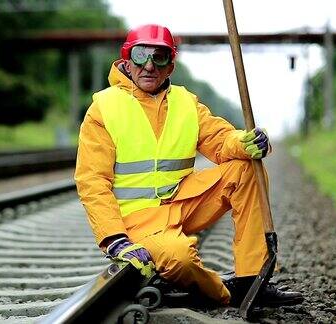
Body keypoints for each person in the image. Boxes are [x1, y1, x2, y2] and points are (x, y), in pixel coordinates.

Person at [74, 24, 303, 307]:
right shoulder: (104, 108)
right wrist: (115, 239)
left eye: (159, 57)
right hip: (137, 220)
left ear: (170, 66)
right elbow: (92, 181)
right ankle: (227, 292)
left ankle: (252, 278)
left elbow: (220, 140)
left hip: (183, 202)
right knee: (179, 258)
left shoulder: (185, 102)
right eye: (141, 55)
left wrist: (244, 142)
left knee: (246, 169)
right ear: (126, 61)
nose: (149, 65)